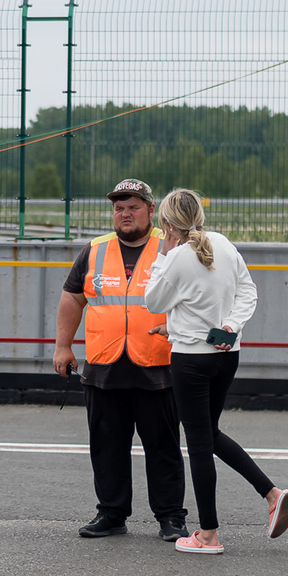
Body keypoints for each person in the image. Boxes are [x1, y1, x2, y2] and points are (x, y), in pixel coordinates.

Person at [142, 187, 288, 554]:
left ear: (167, 224)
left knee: (198, 444)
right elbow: (247, 293)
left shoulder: (177, 257)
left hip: (190, 360)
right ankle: (271, 494)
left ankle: (208, 534)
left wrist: (161, 256)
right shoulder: (224, 244)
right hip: (226, 354)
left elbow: (153, 301)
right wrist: (230, 326)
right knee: (209, 433)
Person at [52, 179, 189, 541]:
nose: (125, 214)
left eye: (133, 207)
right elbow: (72, 298)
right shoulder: (95, 250)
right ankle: (111, 514)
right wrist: (63, 346)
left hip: (158, 365)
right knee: (107, 447)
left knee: (163, 447)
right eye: (119, 208)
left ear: (151, 210)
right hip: (104, 366)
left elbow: (195, 295)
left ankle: (171, 517)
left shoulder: (172, 247)